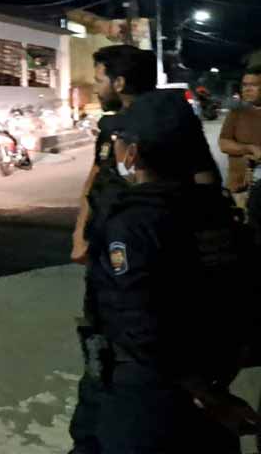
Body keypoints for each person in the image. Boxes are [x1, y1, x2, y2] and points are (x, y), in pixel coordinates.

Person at [84, 90, 258, 452]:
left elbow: (140, 322)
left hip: (151, 391)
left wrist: (203, 393)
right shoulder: (217, 212)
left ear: (133, 152)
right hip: (211, 373)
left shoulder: (135, 223)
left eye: (119, 141)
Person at [68, 45, 221, 454]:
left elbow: (206, 190)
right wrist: (83, 234)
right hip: (114, 260)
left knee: (134, 339)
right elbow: (95, 181)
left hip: (141, 340)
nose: (96, 86)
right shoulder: (116, 129)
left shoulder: (165, 126)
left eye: (100, 78)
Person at [219, 67, 261, 220]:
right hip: (239, 187)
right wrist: (249, 148)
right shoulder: (236, 112)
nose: (247, 89)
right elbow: (223, 143)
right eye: (244, 85)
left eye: (254, 85)